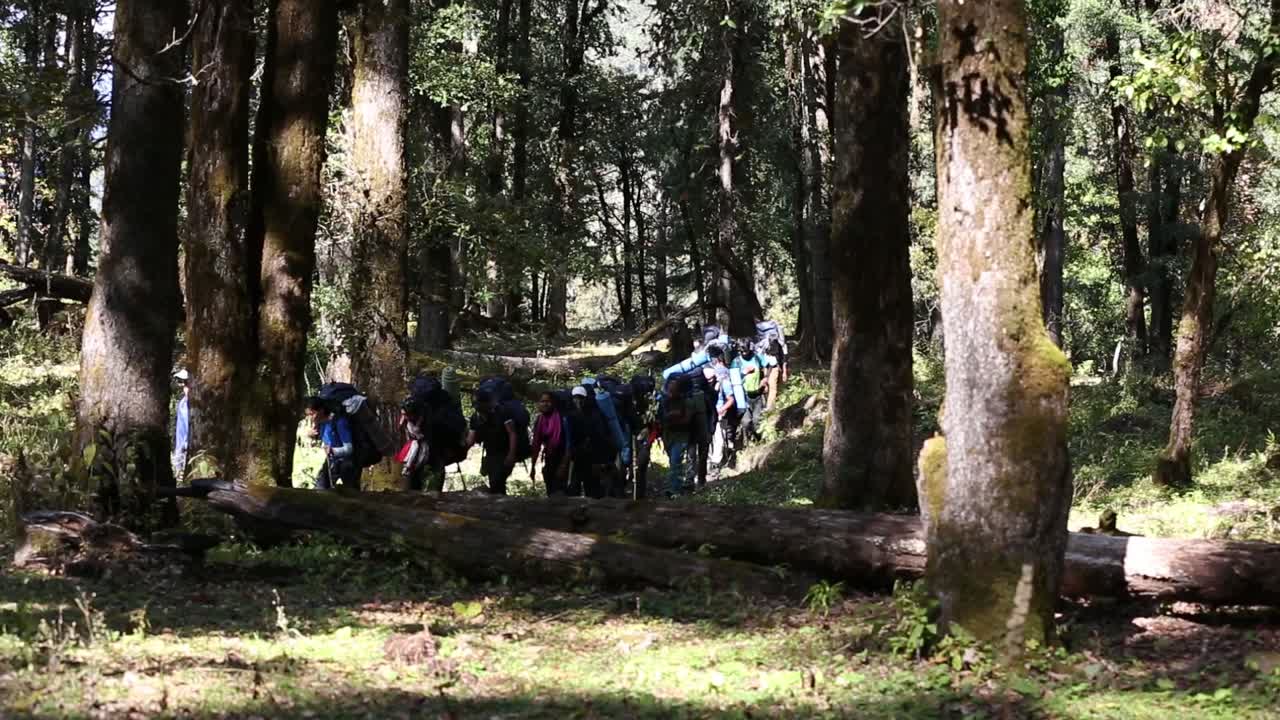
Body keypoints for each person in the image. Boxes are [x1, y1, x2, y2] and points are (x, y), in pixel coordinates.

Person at [465, 389, 523, 495]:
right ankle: (500, 505)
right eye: (475, 404)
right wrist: (461, 450)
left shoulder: (503, 412)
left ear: (486, 403)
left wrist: (511, 455)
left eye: (478, 404)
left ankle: (501, 505)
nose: (477, 407)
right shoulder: (475, 417)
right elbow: (471, 438)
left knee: (497, 481)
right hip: (490, 453)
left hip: (504, 452)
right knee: (495, 483)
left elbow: (512, 433)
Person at [567, 386, 616, 498]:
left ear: (586, 399)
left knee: (592, 488)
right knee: (575, 487)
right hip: (578, 456)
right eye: (575, 398)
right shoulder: (572, 415)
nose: (577, 401)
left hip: (592, 458)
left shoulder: (595, 415)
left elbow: (601, 437)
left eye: (580, 398)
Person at [306, 395, 362, 490]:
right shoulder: (321, 424)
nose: (310, 418)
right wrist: (312, 437)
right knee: (320, 489)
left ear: (321, 411)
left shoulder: (340, 422)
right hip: (332, 461)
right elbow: (325, 440)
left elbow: (349, 449)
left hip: (348, 462)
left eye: (312, 414)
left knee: (351, 491)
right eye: (308, 415)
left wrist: (332, 450)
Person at [733, 341, 775, 444]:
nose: (744, 354)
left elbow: (770, 365)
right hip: (744, 397)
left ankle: (759, 441)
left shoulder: (757, 358)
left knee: (757, 421)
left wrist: (765, 378)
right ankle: (747, 440)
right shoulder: (736, 362)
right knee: (746, 422)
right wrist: (744, 373)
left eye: (745, 351)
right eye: (741, 352)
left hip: (758, 395)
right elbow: (733, 378)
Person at [531, 391, 572, 496]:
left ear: (553, 403)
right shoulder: (540, 420)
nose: (545, 404)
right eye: (542, 401)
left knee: (560, 491)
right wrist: (533, 467)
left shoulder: (562, 419)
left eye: (548, 401)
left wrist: (563, 465)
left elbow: (569, 443)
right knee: (550, 489)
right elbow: (536, 443)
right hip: (549, 458)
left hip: (563, 458)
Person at [661, 376, 696, 498]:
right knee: (673, 461)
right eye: (669, 390)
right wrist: (670, 416)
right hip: (668, 435)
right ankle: (674, 486)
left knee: (676, 461)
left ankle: (675, 489)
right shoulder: (665, 401)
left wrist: (671, 418)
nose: (670, 393)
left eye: (673, 390)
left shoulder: (687, 402)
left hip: (681, 436)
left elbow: (687, 420)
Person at [754, 317, 789, 410]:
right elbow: (784, 357)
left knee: (768, 385)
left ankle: (767, 405)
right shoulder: (779, 343)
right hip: (774, 365)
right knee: (772, 386)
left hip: (765, 365)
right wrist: (784, 370)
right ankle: (769, 407)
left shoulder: (762, 343)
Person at [171, 369, 190, 479]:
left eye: (186, 382)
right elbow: (180, 432)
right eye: (182, 382)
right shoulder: (182, 403)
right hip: (182, 449)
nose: (184, 386)